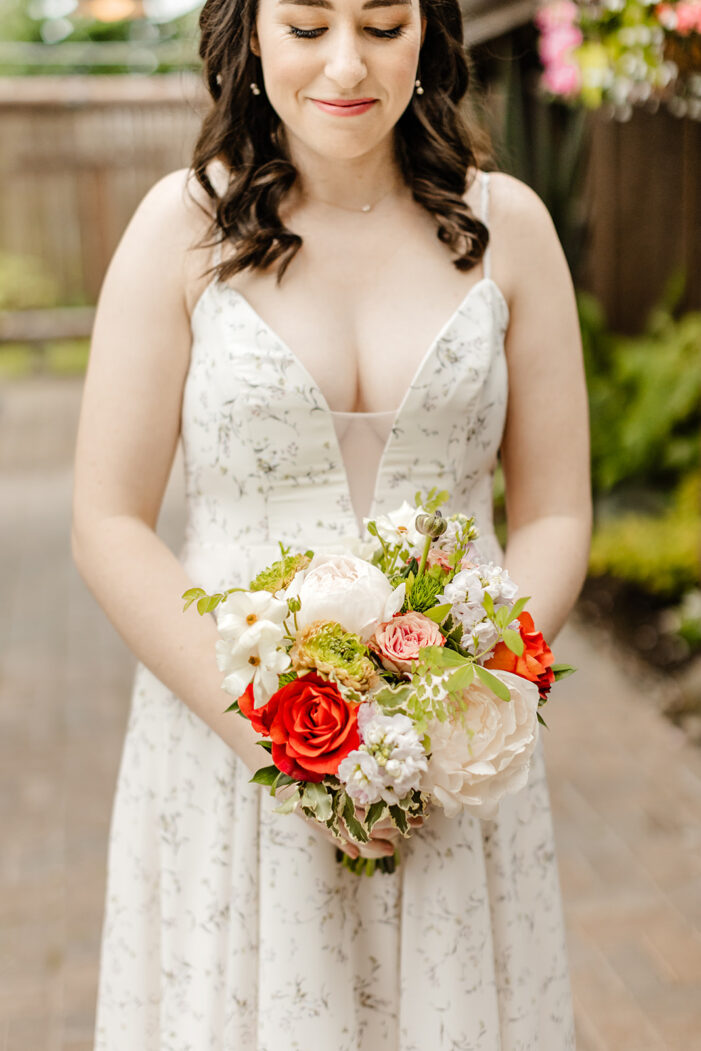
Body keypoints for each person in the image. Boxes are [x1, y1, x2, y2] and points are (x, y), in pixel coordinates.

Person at [71, 0, 592, 1046]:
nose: (345, 63)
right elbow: (107, 520)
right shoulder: (179, 228)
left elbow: (553, 512)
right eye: (307, 27)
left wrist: (453, 703)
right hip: (231, 753)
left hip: (449, 762)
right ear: (249, 37)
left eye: (382, 24)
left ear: (427, 33)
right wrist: (276, 733)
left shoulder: (512, 228)